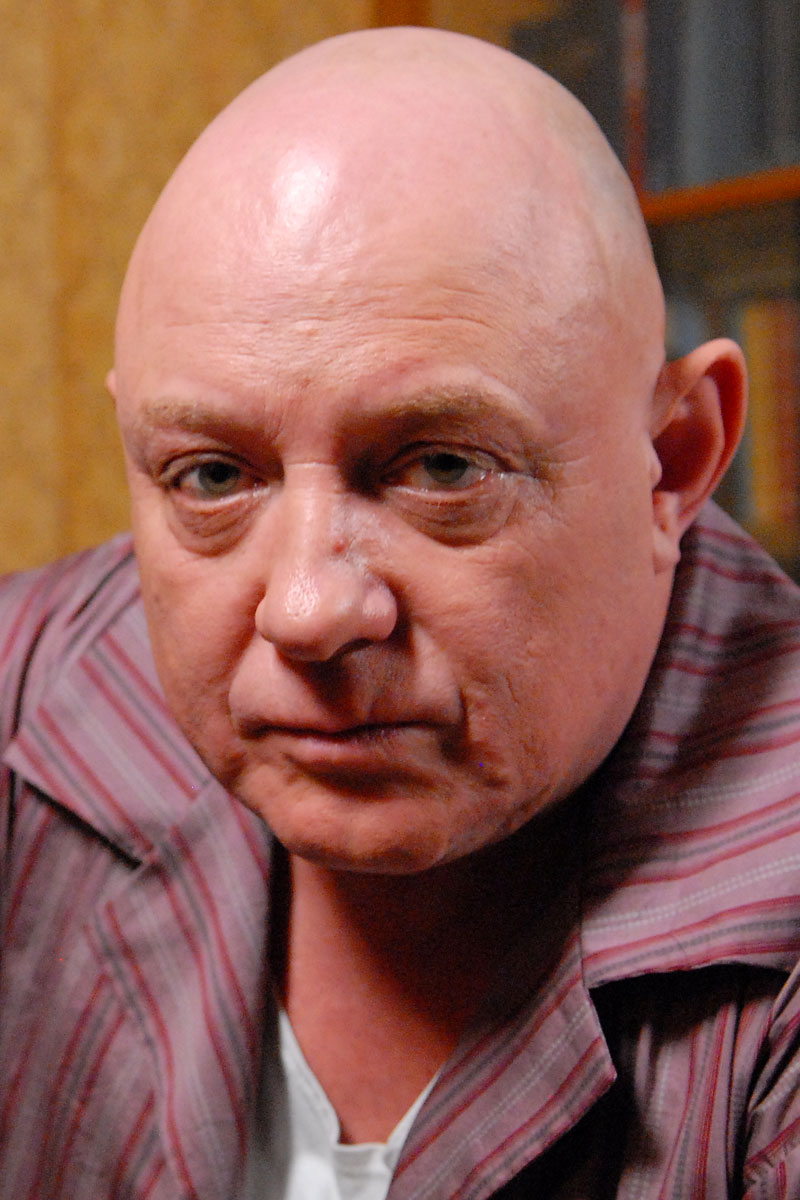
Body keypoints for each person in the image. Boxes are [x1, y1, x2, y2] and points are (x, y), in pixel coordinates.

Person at [2, 24, 800, 1199]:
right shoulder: (34, 688)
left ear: (672, 460)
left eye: (440, 467)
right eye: (213, 476)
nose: (308, 610)